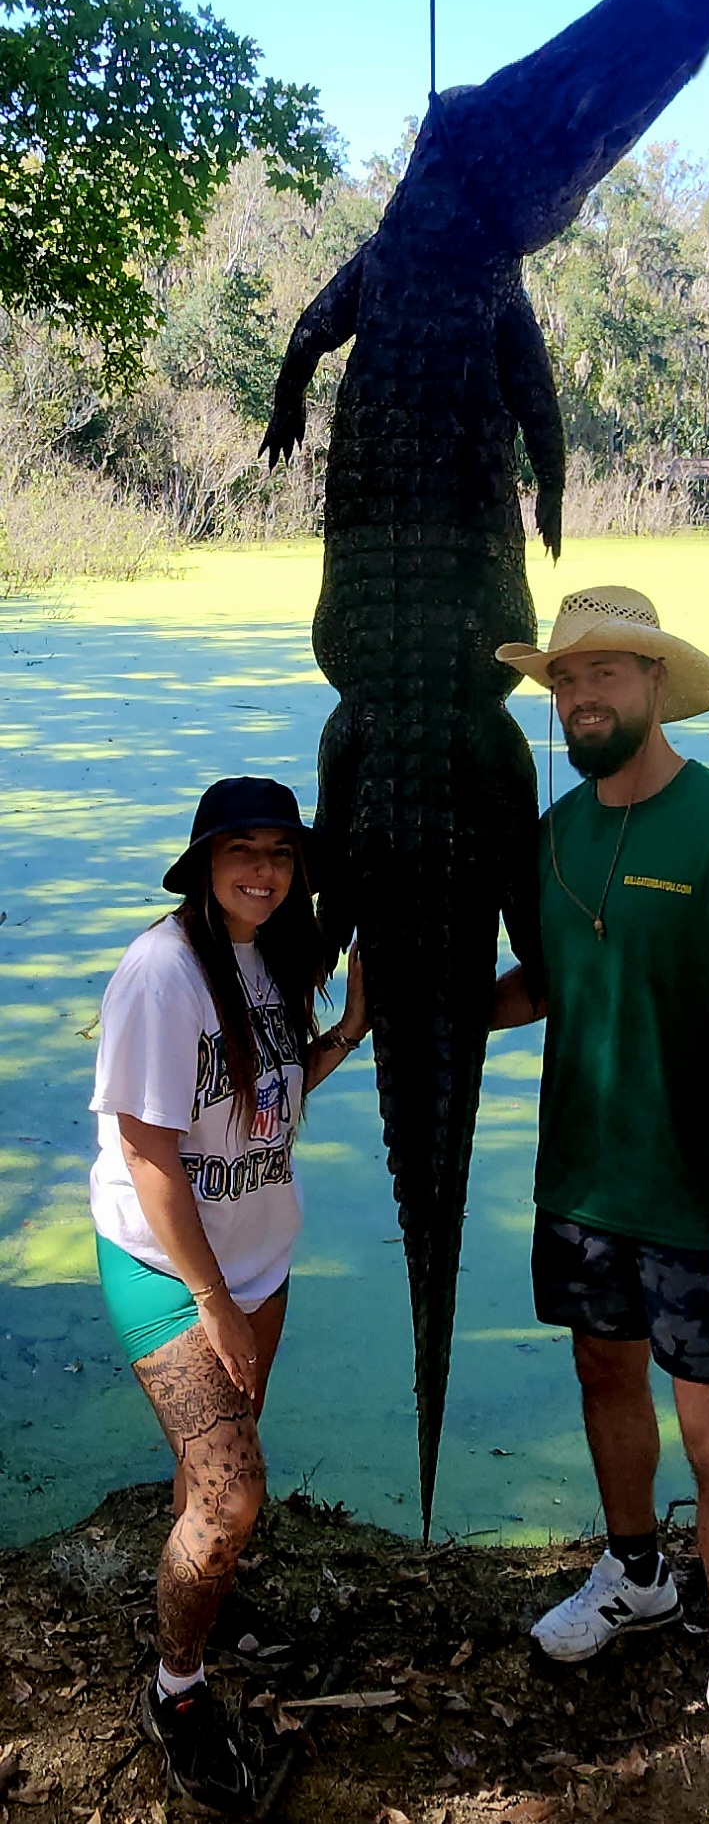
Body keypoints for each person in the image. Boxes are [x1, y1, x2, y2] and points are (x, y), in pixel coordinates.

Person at [493, 586, 709, 1824]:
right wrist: (430, 1004)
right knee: (600, 1378)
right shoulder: (555, 833)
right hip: (580, 1186)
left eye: (605, 676)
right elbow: (547, 977)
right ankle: (635, 1571)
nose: (579, 698)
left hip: (702, 1207)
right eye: (563, 683)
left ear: (655, 684)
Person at [89, 776, 367, 1813]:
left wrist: (346, 1029)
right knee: (231, 1489)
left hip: (259, 1256)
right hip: (169, 1265)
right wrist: (209, 1297)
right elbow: (147, 1146)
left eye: (282, 854)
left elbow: (265, 1104)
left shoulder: (276, 958)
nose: (263, 870)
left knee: (211, 1466)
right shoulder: (161, 972)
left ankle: (207, 1611)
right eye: (241, 850)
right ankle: (178, 1689)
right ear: (204, 861)